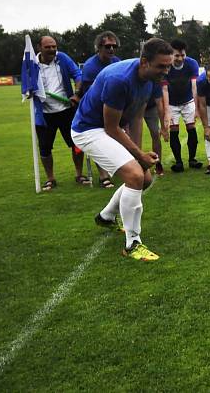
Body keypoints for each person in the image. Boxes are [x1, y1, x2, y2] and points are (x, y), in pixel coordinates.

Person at [71, 38, 174, 261]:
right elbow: (110, 127)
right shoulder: (120, 79)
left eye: (168, 66)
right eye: (161, 66)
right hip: (88, 129)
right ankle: (132, 243)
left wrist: (139, 155)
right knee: (135, 175)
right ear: (145, 62)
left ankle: (107, 216)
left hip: (110, 128)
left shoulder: (149, 79)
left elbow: (136, 116)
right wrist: (138, 157)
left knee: (144, 179)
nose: (165, 71)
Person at [32, 35, 86, 190]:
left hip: (67, 110)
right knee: (44, 148)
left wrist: (76, 94)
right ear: (39, 48)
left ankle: (79, 174)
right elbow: (27, 84)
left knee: (76, 144)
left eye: (54, 46)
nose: (52, 50)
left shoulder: (62, 58)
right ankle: (50, 178)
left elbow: (78, 75)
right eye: (48, 47)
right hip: (44, 114)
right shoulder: (32, 63)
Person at [77, 31, 121, 187]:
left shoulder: (116, 61)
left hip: (113, 106)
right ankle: (103, 176)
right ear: (99, 47)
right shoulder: (90, 66)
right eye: (107, 46)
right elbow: (89, 92)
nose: (111, 49)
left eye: (114, 46)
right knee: (99, 141)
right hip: (95, 108)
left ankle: (116, 168)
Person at [162, 39, 202, 172]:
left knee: (191, 128)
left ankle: (192, 159)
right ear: (171, 54)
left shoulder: (192, 64)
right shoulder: (166, 66)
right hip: (172, 103)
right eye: (177, 55)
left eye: (182, 55)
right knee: (174, 130)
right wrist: (167, 111)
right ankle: (178, 162)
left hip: (188, 101)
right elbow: (164, 90)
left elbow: (194, 86)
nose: (180, 58)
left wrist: (196, 108)